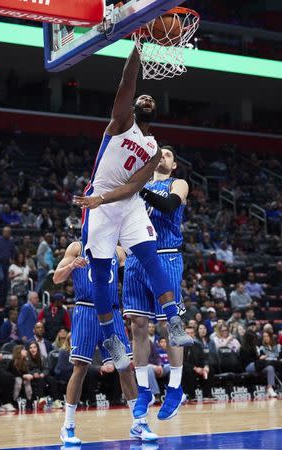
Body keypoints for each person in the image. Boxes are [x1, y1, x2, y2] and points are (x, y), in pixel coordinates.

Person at [72, 47, 190, 370]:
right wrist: (139, 45)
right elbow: (128, 79)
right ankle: (111, 337)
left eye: (152, 99)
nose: (147, 99)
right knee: (99, 274)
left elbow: (135, 187)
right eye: (142, 98)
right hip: (99, 201)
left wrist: (109, 199)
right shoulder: (121, 122)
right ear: (134, 106)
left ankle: (173, 322)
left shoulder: (153, 149)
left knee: (151, 256)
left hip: (125, 201)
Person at [53, 240, 157, 445]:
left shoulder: (117, 251)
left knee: (125, 366)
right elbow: (57, 278)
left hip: (111, 311)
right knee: (80, 367)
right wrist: (72, 265)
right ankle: (68, 426)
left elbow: (129, 278)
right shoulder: (77, 247)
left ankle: (139, 422)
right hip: (86, 309)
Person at [122, 144, 192, 422]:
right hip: (137, 258)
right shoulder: (140, 184)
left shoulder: (179, 183)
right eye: (159, 153)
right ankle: (143, 390)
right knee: (137, 325)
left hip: (165, 255)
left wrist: (140, 190)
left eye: (167, 154)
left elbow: (168, 205)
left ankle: (175, 388)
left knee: (168, 324)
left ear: (174, 164)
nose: (162, 156)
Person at [239, 330, 277, 398]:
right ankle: (275, 363)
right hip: (248, 367)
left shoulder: (254, 347)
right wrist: (259, 359)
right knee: (265, 362)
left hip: (257, 365)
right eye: (253, 338)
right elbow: (246, 361)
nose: (254, 340)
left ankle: (270, 388)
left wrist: (260, 357)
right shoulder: (242, 348)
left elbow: (256, 359)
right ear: (249, 338)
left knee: (270, 368)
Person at [27, 341, 62, 409]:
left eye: (34, 347)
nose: (33, 349)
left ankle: (56, 401)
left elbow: (46, 368)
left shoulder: (42, 357)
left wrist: (43, 373)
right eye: (30, 348)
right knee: (41, 380)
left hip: (42, 375)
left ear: (37, 348)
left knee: (52, 380)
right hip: (32, 377)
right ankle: (40, 400)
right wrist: (33, 374)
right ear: (28, 349)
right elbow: (25, 370)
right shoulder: (27, 358)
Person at [0, 226, 16, 307]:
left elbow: (13, 251)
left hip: (7, 263)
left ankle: (3, 299)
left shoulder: (11, 241)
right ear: (3, 232)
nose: (7, 233)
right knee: (1, 278)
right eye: (6, 232)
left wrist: (12, 259)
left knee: (6, 281)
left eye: (8, 232)